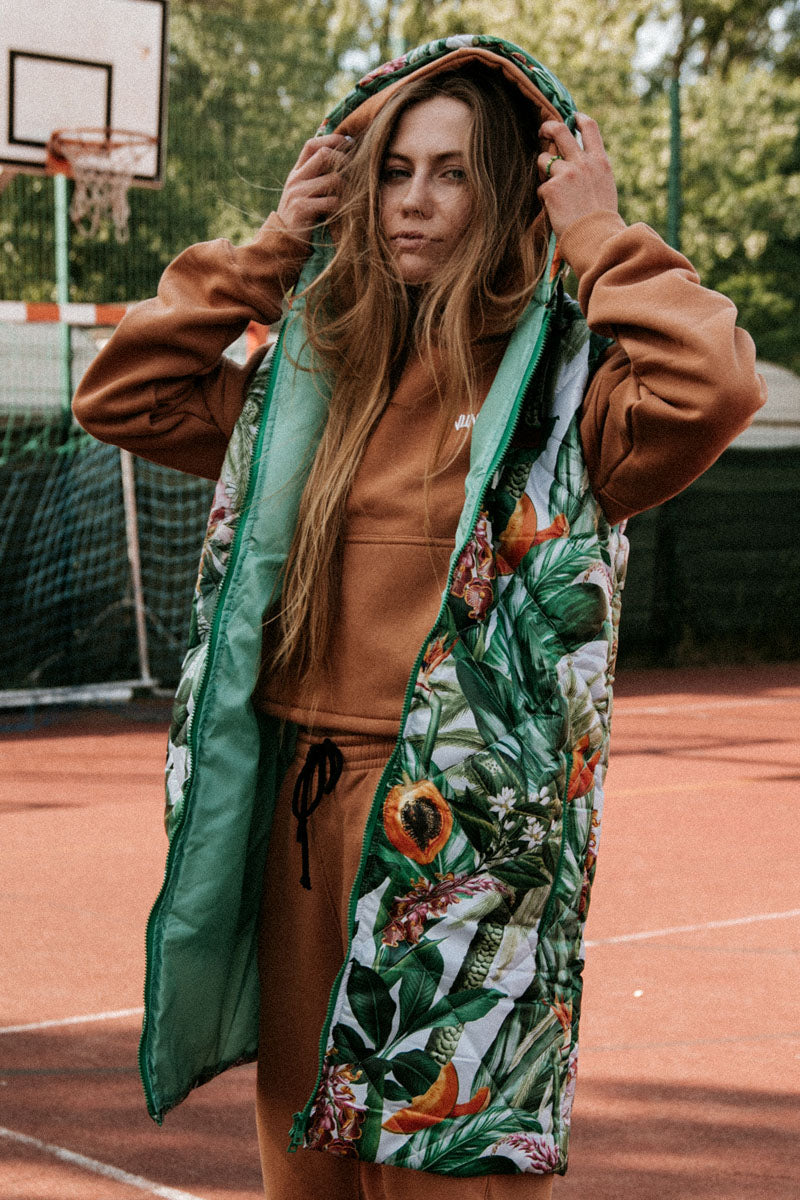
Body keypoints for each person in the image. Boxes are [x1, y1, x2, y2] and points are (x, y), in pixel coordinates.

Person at [73, 34, 764, 1200]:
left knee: (444, 1164)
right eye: (392, 171)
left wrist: (598, 235)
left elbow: (715, 386)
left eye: (449, 173)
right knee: (305, 1166)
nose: (412, 200)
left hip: (466, 837)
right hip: (302, 809)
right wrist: (269, 250)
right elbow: (122, 393)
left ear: (509, 192)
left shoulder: (573, 391)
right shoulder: (312, 380)